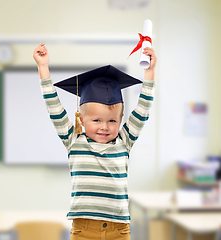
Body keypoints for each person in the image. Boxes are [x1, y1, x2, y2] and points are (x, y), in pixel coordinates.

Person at [33, 43, 157, 240]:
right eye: (96, 120)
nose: (104, 127)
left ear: (121, 119)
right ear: (82, 120)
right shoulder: (73, 140)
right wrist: (43, 68)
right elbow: (54, 107)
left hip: (119, 230)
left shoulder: (124, 141)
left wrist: (150, 72)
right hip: (84, 230)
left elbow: (143, 110)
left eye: (112, 121)